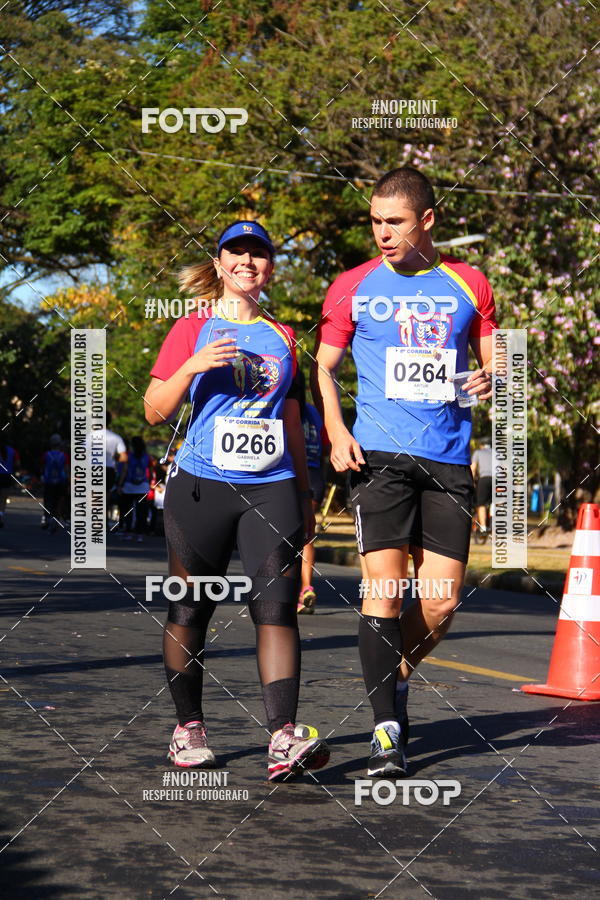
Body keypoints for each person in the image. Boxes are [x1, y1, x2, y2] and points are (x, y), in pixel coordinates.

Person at [313, 167, 498, 776]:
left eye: (395, 222)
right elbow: (324, 367)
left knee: (441, 603)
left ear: (428, 220)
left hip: (448, 459)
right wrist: (336, 430)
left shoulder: (469, 283)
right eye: (375, 221)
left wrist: (492, 377)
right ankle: (386, 730)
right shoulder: (353, 285)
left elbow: (499, 360)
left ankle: (391, 679)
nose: (383, 233)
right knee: (385, 593)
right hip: (377, 458)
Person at [144, 219, 330, 781]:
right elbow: (153, 410)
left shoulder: (285, 336)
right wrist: (193, 366)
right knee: (190, 606)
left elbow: (292, 423)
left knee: (275, 608)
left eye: (258, 253)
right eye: (236, 251)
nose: (247, 261)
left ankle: (283, 738)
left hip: (271, 487)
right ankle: (188, 730)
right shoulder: (191, 327)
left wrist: (306, 495)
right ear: (219, 262)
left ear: (270, 266)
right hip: (201, 486)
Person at [296, 370, 328, 614]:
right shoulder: (315, 413)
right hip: (316, 475)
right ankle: (306, 587)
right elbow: (326, 444)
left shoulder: (283, 409)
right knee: (307, 534)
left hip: (295, 473)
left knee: (284, 534)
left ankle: (285, 589)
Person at [117, 436, 151, 542]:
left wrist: (120, 484)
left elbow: (125, 470)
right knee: (141, 511)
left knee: (128, 510)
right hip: (143, 486)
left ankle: (128, 532)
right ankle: (140, 534)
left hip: (129, 486)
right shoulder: (147, 457)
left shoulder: (129, 456)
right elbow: (149, 471)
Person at [42, 434, 69, 533]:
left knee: (48, 500)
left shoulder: (46, 455)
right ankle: (56, 520)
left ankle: (47, 519)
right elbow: (66, 469)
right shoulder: (64, 456)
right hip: (61, 481)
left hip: (48, 480)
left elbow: (43, 467)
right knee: (59, 501)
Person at [471, 440, 492, 535]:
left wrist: (472, 482)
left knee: (481, 504)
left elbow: (473, 469)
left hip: (484, 479)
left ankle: (483, 527)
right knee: (496, 502)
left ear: (482, 445)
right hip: (498, 479)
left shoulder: (478, 452)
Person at [0, 441, 20, 528]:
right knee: (3, 499)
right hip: (7, 476)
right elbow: (17, 463)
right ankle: (0, 517)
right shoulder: (12, 451)